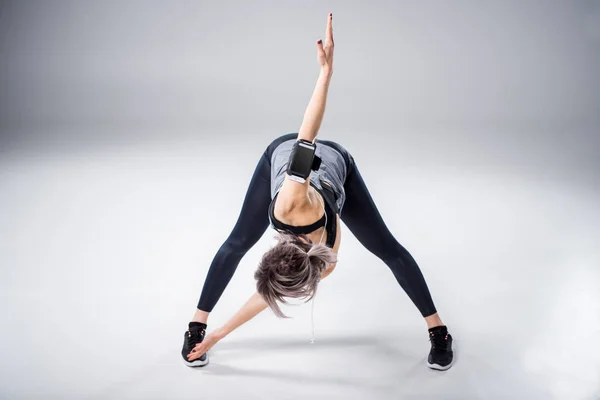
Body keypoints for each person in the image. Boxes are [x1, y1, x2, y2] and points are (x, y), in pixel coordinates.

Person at [181, 12, 454, 371]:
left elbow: (305, 140)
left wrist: (325, 74)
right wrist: (215, 334)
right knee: (237, 243)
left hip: (335, 166)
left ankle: (439, 332)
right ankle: (196, 324)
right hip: (289, 168)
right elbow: (267, 294)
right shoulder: (303, 236)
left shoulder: (308, 234)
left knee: (388, 249)